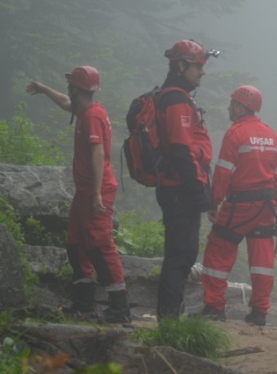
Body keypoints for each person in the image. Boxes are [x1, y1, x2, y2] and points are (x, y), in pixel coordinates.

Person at [26, 66, 131, 323]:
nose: (67, 90)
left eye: (70, 86)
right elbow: (64, 102)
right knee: (75, 243)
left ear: (76, 88)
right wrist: (42, 89)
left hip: (97, 190)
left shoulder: (93, 116)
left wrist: (95, 193)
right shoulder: (85, 108)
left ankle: (120, 308)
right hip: (85, 191)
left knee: (99, 246)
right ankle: (84, 302)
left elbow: (97, 153)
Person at [200, 85, 277, 324]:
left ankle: (214, 307)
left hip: (240, 204)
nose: (229, 107)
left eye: (232, 103)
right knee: (262, 259)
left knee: (218, 249)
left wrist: (214, 203)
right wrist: (275, 203)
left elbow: (223, 172)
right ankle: (260, 312)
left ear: (240, 106)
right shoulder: (272, 135)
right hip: (267, 205)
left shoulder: (235, 133)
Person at [155, 39, 216, 320]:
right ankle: (169, 321)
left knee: (180, 254)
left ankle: (171, 316)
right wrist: (199, 193)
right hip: (180, 189)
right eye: (198, 66)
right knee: (181, 256)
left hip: (175, 188)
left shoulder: (173, 96)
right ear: (181, 65)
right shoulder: (177, 100)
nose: (202, 72)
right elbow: (181, 150)